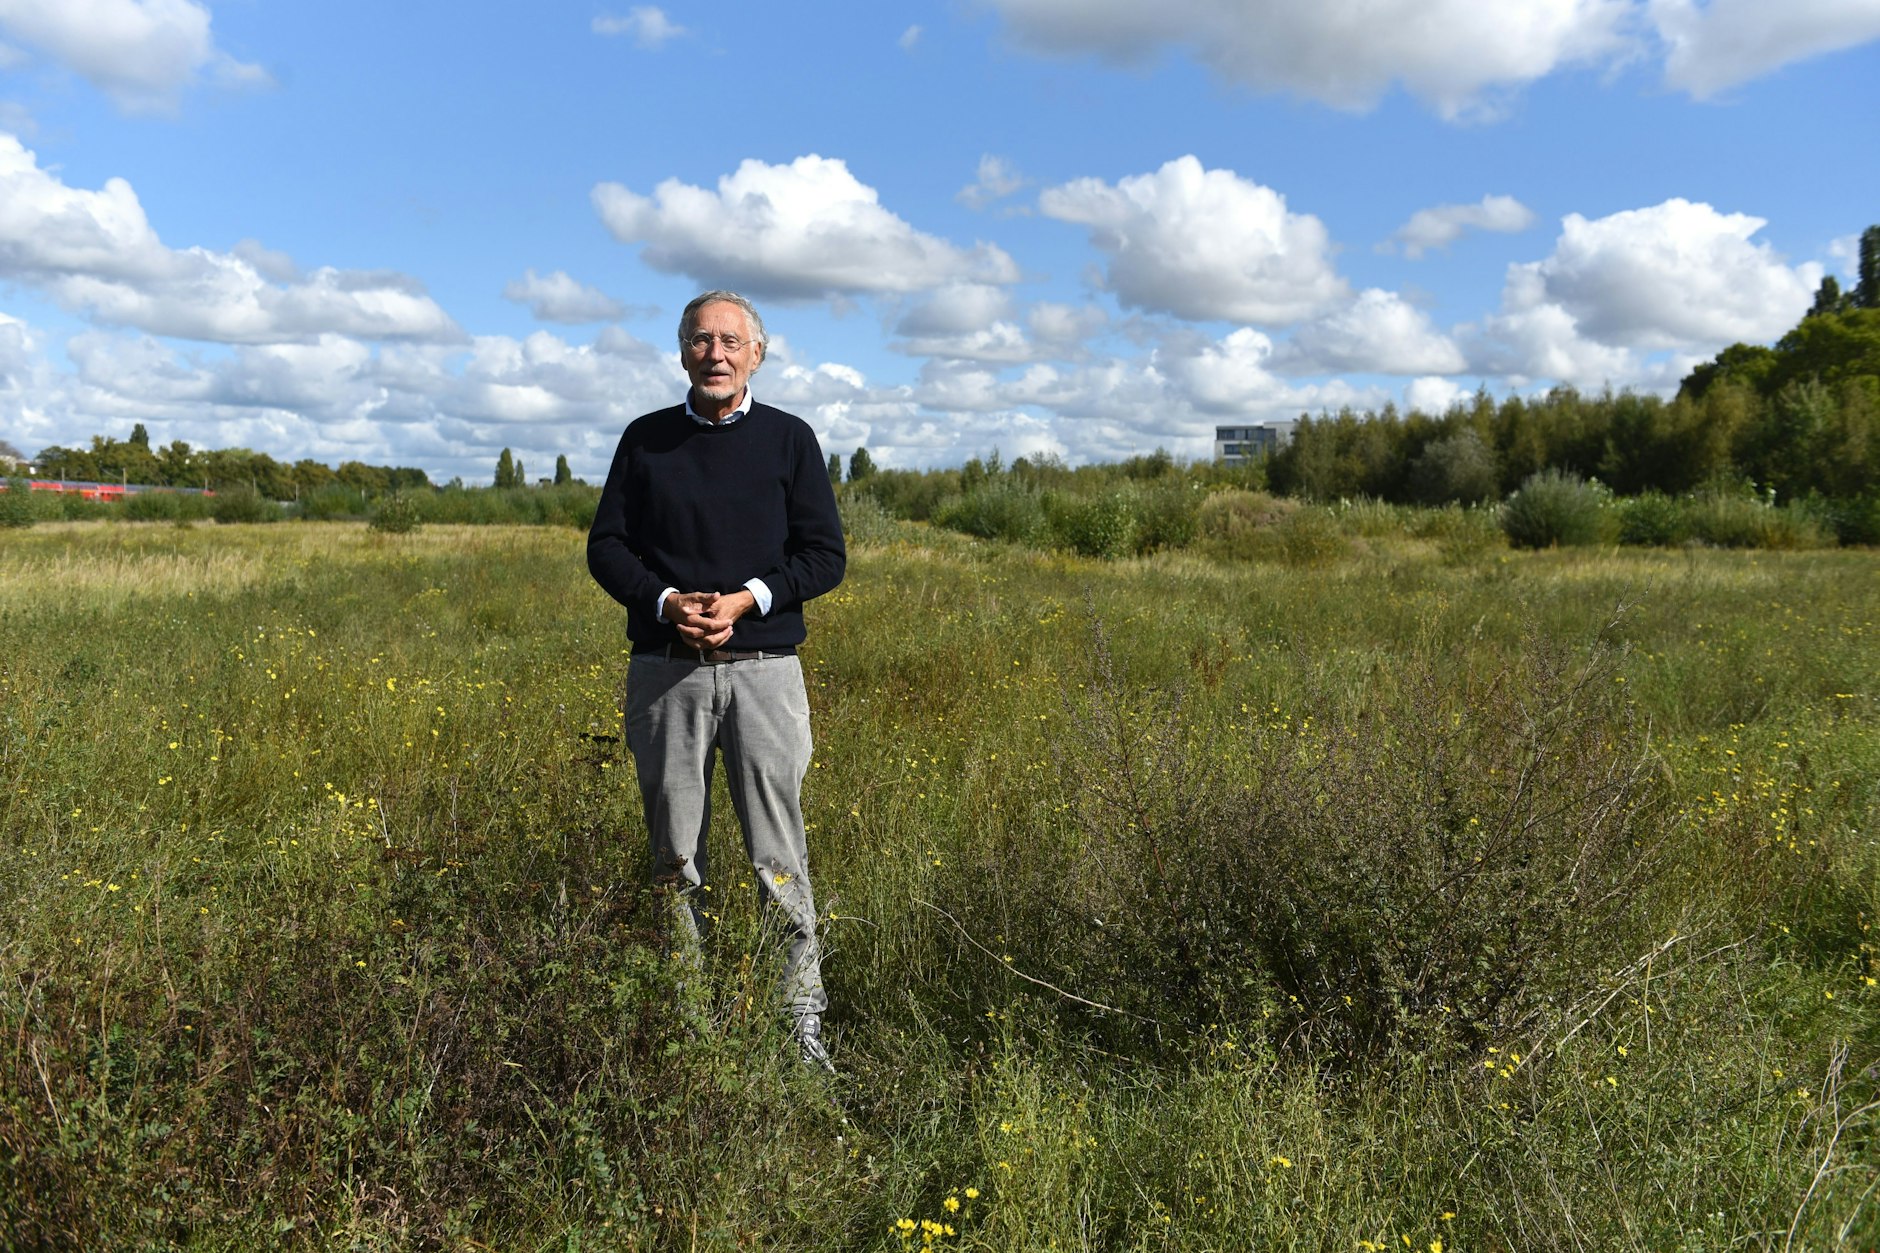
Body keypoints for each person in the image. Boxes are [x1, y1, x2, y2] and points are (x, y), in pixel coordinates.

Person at [587, 290, 847, 1072]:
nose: (716, 353)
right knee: (674, 855)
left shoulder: (790, 440)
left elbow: (823, 556)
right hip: (668, 673)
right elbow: (607, 547)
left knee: (779, 855)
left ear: (756, 355)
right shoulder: (645, 441)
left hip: (765, 673)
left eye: (731, 340)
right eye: (701, 339)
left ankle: (800, 1024)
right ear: (682, 352)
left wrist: (747, 598)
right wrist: (667, 603)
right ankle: (686, 1023)